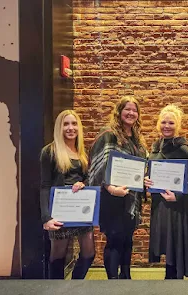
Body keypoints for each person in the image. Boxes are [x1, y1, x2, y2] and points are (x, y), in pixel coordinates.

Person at [88, 96, 147, 279]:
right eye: (127, 109)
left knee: (127, 239)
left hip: (131, 199)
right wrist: (111, 188)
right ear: (119, 111)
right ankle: (113, 282)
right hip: (112, 198)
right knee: (114, 240)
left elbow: (141, 166)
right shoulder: (108, 134)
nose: (131, 113)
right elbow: (97, 167)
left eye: (134, 110)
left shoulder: (137, 139)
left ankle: (126, 277)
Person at [40, 110, 94, 279]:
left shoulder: (82, 152)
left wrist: (83, 183)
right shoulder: (49, 151)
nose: (70, 128)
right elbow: (45, 186)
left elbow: (87, 178)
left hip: (81, 211)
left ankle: (74, 286)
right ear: (59, 128)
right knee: (58, 257)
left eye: (74, 123)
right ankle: (56, 290)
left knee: (89, 254)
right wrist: (46, 218)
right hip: (60, 211)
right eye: (66, 124)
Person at [145, 105, 188, 279]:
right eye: (164, 122)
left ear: (178, 126)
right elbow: (151, 171)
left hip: (176, 207)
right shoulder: (155, 147)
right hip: (159, 205)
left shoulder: (183, 149)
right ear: (159, 124)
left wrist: (178, 196)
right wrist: (146, 180)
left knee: (175, 248)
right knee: (166, 247)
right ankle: (169, 280)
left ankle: (174, 283)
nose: (167, 126)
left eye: (171, 123)